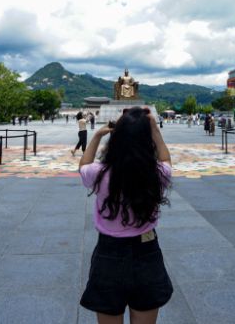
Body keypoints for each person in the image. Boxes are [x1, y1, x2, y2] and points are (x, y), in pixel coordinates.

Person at [78, 107, 173, 323]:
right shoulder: (157, 174)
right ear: (146, 138)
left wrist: (98, 134)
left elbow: (84, 165)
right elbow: (167, 161)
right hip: (147, 252)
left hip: (109, 253)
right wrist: (155, 131)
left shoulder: (99, 173)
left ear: (117, 138)